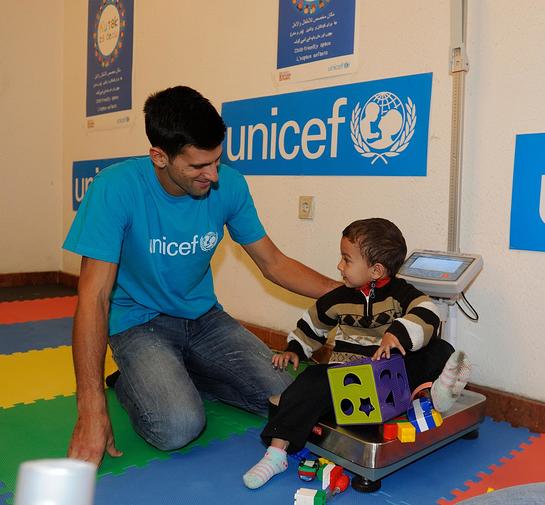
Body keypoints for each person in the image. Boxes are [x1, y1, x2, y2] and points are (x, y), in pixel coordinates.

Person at [63, 85, 341, 465]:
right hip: (138, 323)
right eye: (198, 166)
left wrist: (343, 294)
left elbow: (273, 263)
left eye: (217, 161)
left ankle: (180, 372)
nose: (212, 175)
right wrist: (90, 407)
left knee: (288, 397)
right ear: (159, 157)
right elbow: (94, 298)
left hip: (204, 318)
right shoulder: (114, 189)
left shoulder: (230, 185)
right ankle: (128, 382)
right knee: (178, 427)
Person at [242, 218, 472, 489]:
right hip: (347, 381)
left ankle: (436, 393)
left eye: (346, 260)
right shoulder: (337, 298)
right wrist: (295, 348)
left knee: (439, 348)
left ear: (376, 270)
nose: (340, 266)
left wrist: (396, 333)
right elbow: (312, 324)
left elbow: (428, 313)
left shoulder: (402, 294)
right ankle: (277, 452)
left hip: (387, 379)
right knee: (312, 379)